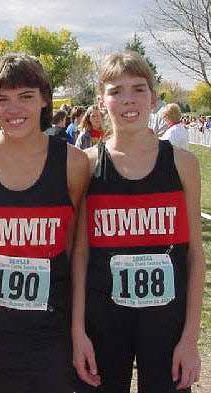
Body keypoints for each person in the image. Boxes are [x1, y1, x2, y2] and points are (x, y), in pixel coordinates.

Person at [0, 53, 89, 393]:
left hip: (51, 329)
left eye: (25, 97)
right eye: (2, 99)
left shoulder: (72, 163)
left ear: (44, 99)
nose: (14, 110)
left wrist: (78, 328)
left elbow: (75, 252)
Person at [72, 51, 205, 393]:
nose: (128, 99)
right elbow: (81, 255)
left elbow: (194, 256)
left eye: (138, 88)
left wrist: (190, 339)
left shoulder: (182, 163)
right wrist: (78, 332)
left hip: (165, 322)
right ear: (101, 101)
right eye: (116, 90)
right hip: (103, 320)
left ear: (154, 97)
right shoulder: (85, 164)